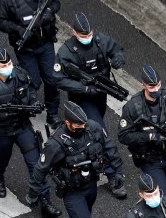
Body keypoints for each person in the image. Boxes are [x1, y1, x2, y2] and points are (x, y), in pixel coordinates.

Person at [27, 101, 122, 218]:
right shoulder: (56, 143)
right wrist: (33, 193)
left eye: (83, 124)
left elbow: (109, 147)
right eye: (78, 125)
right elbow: (40, 169)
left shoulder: (93, 128)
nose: (82, 128)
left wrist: (117, 172)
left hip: (90, 185)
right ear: (68, 122)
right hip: (72, 192)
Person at [53, 12, 127, 199]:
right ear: (74, 32)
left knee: (96, 123)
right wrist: (84, 88)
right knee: (99, 130)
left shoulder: (100, 41)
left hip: (100, 92)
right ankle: (113, 175)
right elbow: (59, 79)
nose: (87, 38)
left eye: (89, 34)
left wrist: (118, 58)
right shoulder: (66, 52)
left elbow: (117, 50)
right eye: (83, 35)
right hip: (82, 99)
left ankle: (88, 153)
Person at [0, 46, 54, 203]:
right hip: (2, 131)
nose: (7, 67)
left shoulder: (20, 74)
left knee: (36, 163)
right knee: (0, 160)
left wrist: (34, 103)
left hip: (22, 126)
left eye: (9, 63)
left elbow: (30, 93)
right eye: (3, 66)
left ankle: (45, 200)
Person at [0, 0, 61, 125]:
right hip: (26, 49)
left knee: (52, 79)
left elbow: (55, 2)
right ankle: (24, 106)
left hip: (45, 43)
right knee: (32, 81)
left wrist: (49, 13)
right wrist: (18, 29)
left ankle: (52, 112)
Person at [118, 64, 166, 199]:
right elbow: (123, 136)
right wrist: (150, 136)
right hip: (150, 160)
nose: (156, 90)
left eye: (158, 85)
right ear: (143, 85)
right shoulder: (133, 107)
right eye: (152, 87)